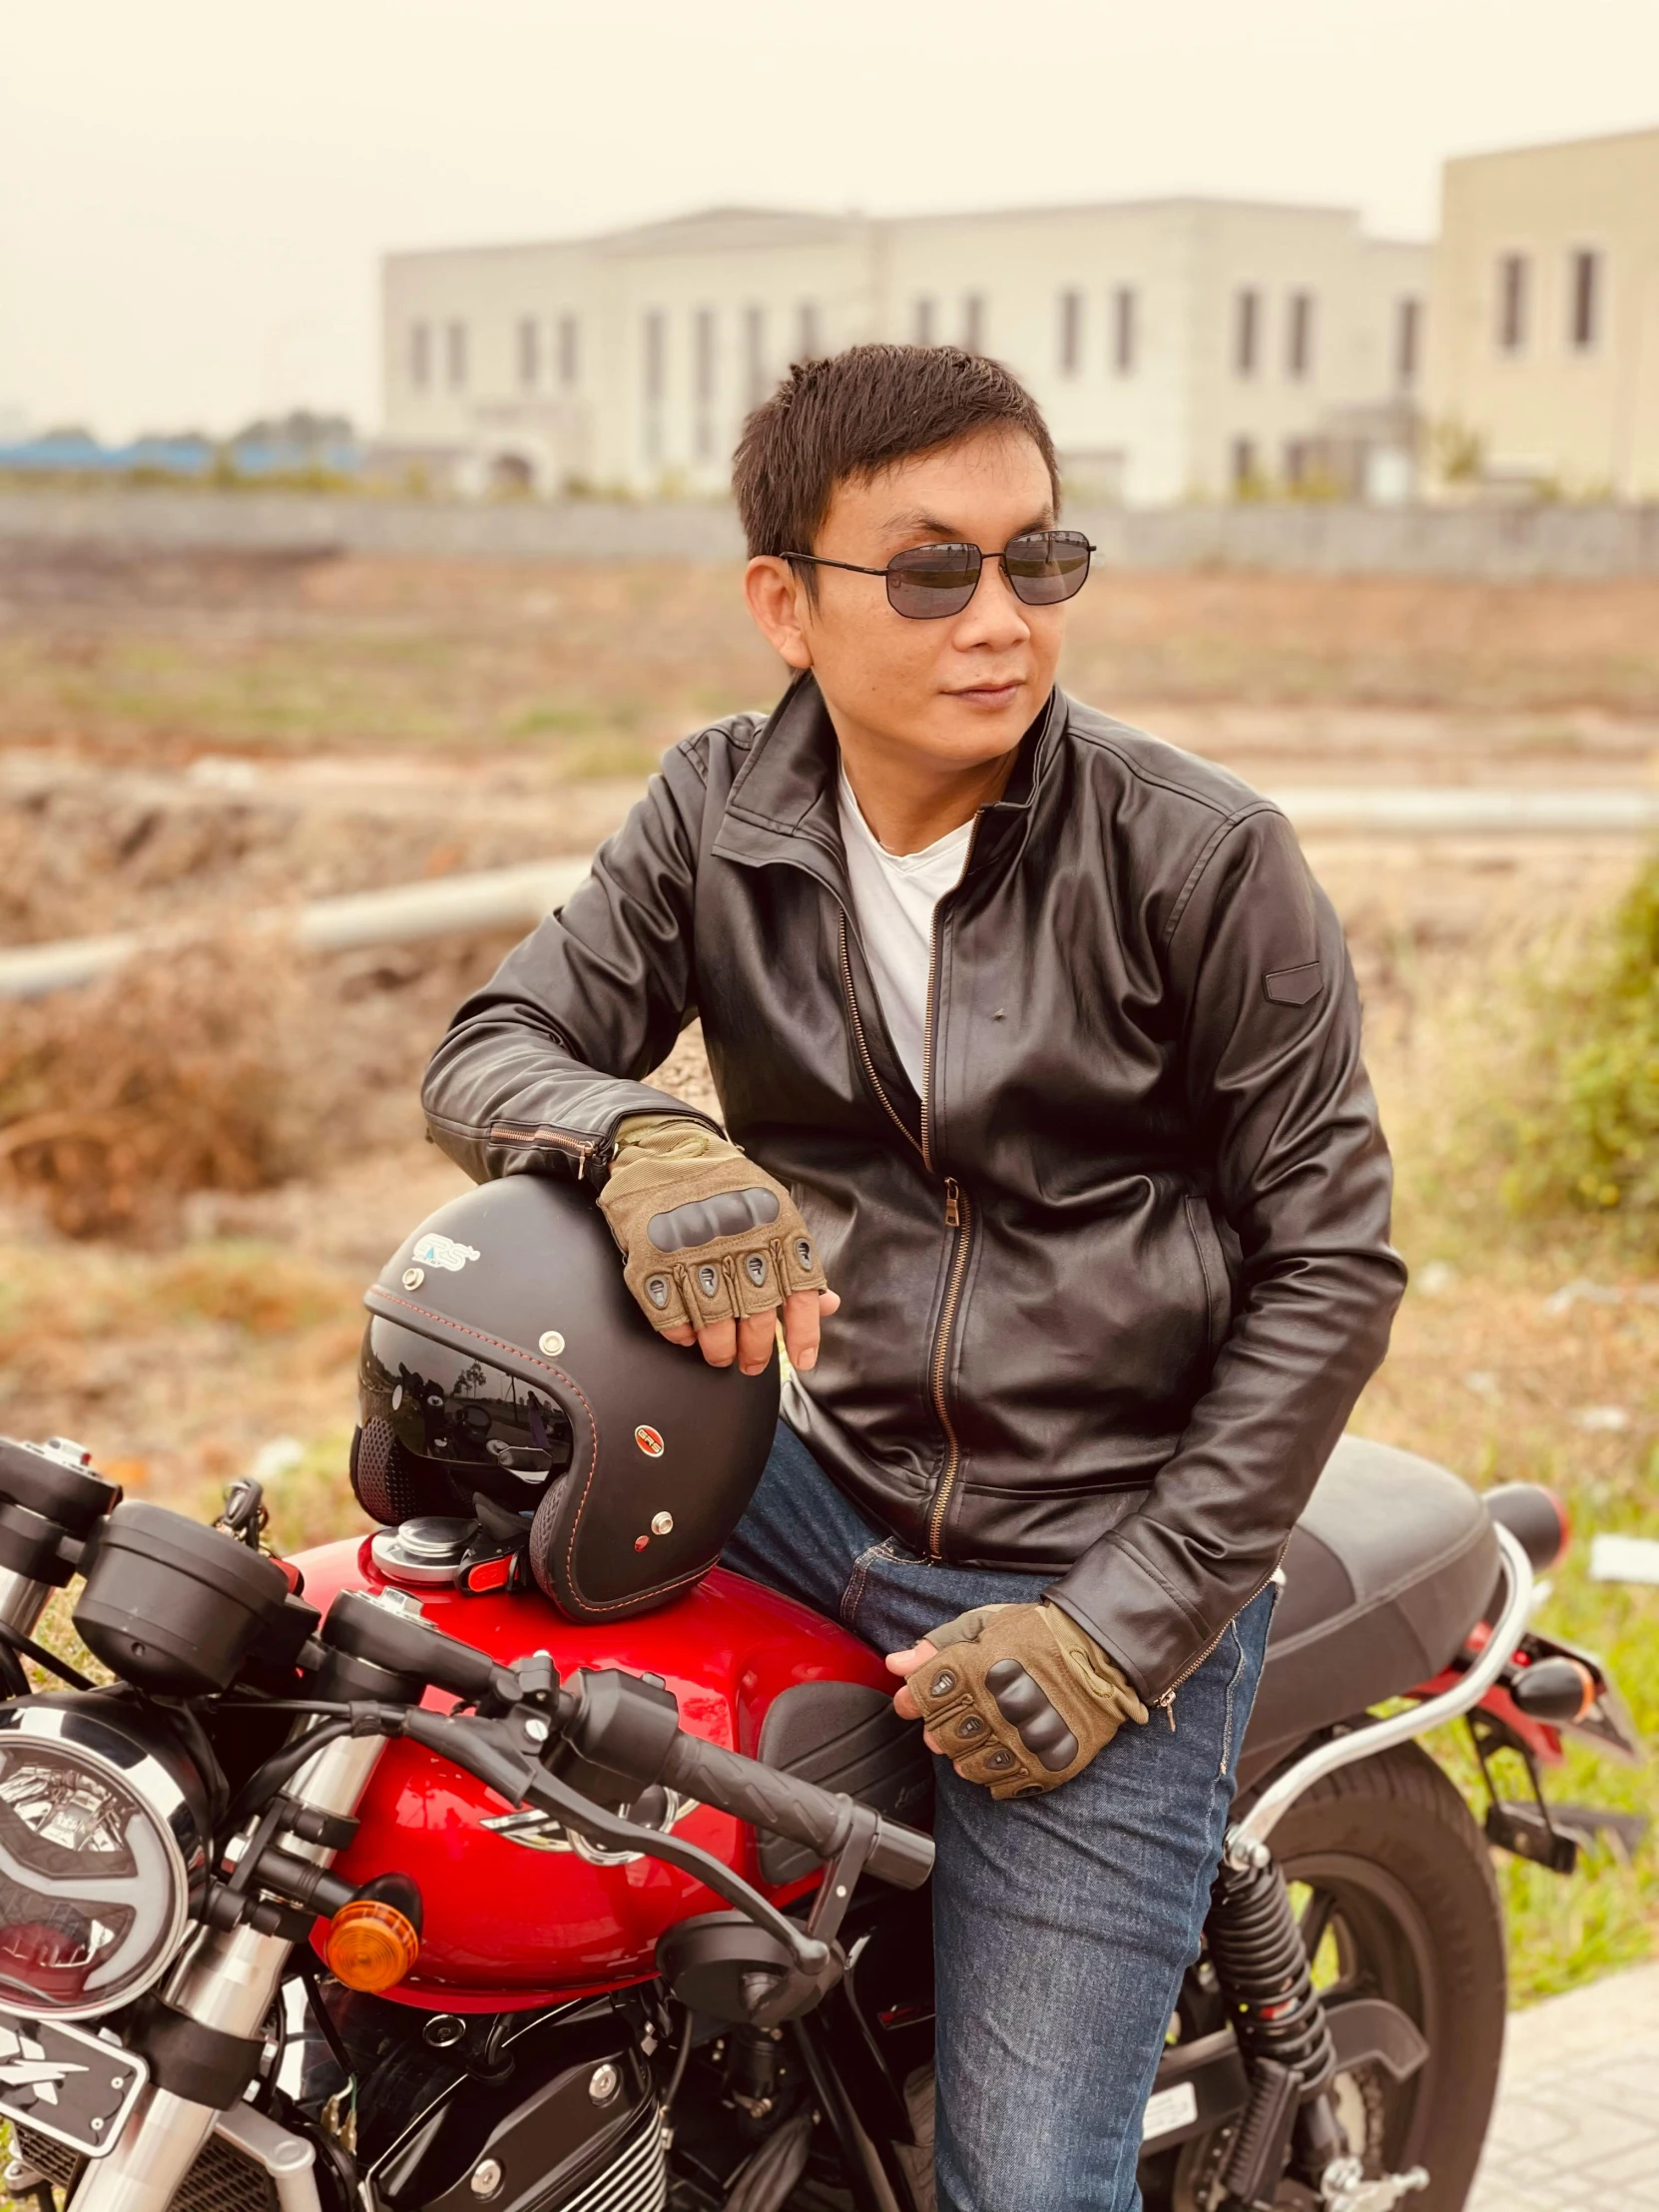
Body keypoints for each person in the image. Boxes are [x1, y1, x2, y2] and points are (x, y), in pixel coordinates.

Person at [421, 343, 1404, 2211]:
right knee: (453, 1731)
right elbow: (491, 1043)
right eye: (932, 567)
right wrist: (642, 1139)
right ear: (782, 604)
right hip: (818, 1483)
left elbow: (1333, 1265)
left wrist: (1117, 1633)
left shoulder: (1200, 857)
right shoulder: (717, 808)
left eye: (1037, 559)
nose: (999, 617)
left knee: (1029, 2190)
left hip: (1107, 1536)